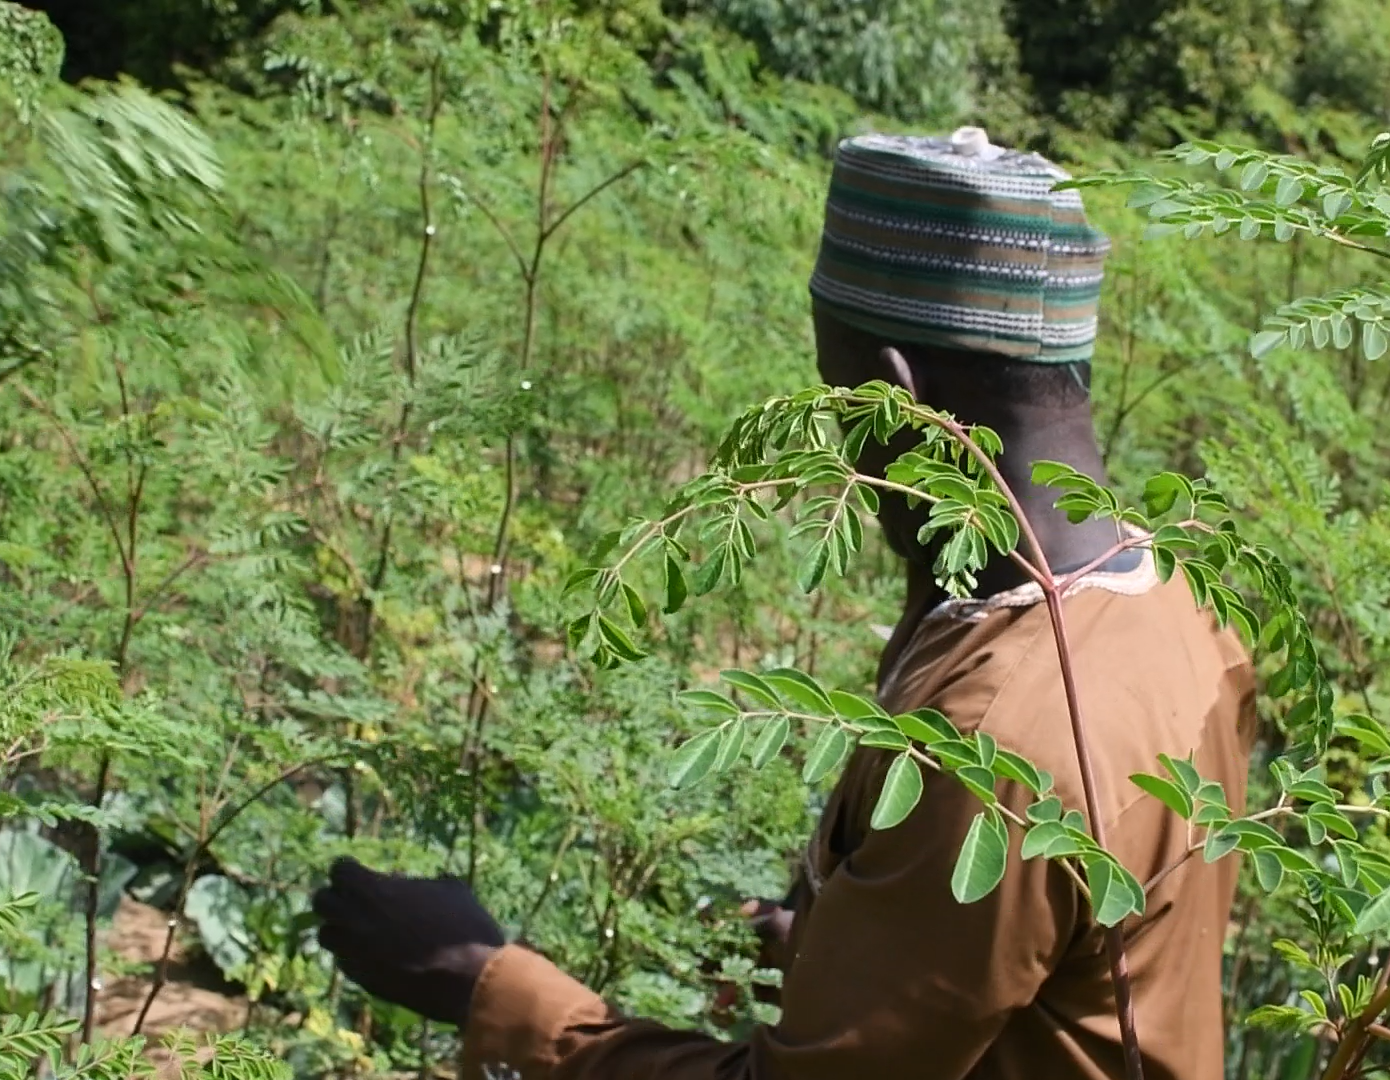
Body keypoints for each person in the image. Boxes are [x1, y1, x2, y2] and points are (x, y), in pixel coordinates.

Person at [312, 127, 1257, 1080]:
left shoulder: (991, 750)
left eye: (831, 397)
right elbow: (1064, 974)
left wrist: (486, 987)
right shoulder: (1185, 608)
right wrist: (840, 942)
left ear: (894, 400)